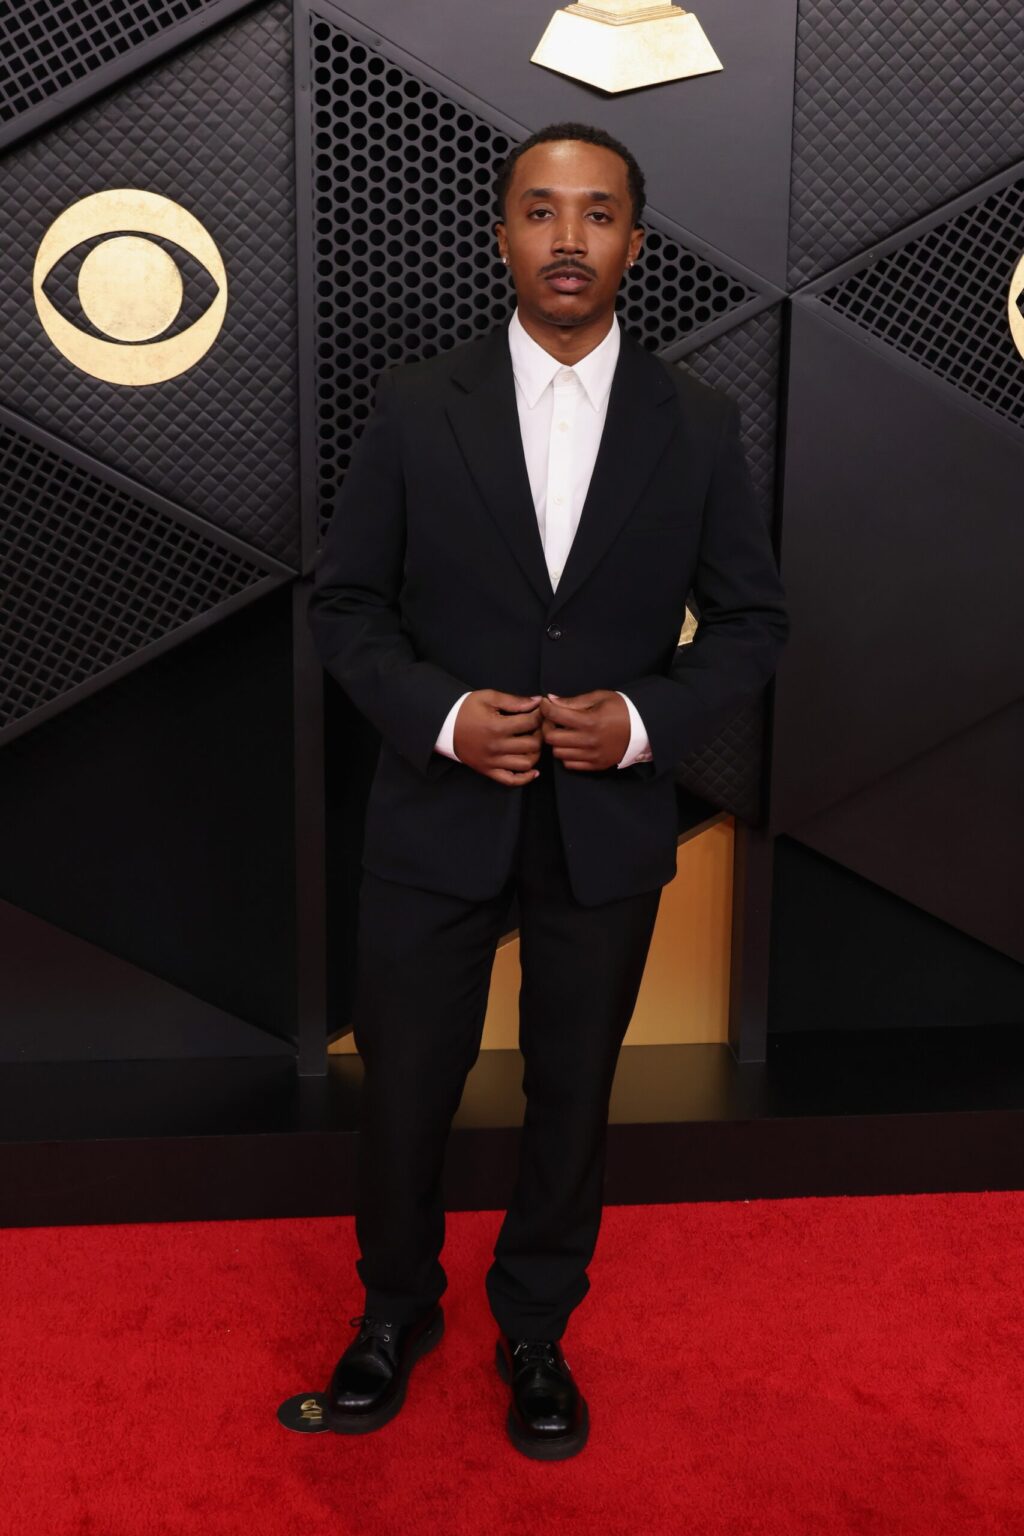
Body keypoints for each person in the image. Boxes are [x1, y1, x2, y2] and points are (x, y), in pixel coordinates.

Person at [305, 120, 789, 1459]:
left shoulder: (697, 424)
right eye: (540, 211)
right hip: (433, 818)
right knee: (406, 1084)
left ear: (636, 238)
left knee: (572, 1093)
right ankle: (394, 1310)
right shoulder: (417, 404)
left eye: (596, 214)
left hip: (607, 828)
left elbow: (750, 625)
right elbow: (345, 607)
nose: (567, 239)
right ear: (503, 231)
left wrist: (640, 719)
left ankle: (536, 1330)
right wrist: (447, 717)